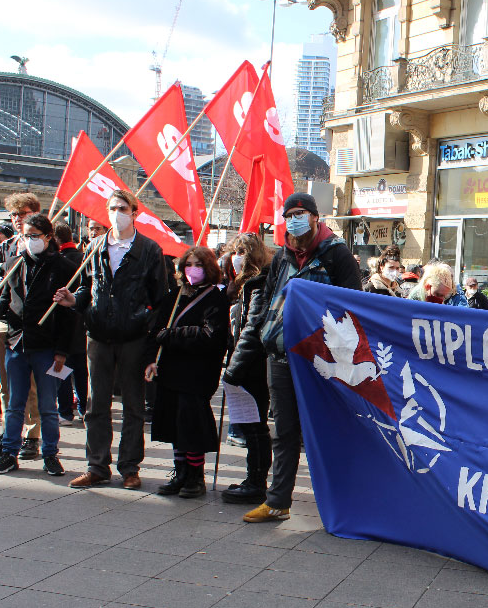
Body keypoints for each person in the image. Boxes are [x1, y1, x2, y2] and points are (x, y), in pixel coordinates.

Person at [223, 193, 361, 522]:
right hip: (281, 356)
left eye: (301, 213)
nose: (295, 219)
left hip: (320, 359)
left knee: (327, 430)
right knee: (283, 430)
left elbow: (353, 305)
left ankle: (345, 501)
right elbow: (269, 301)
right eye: (290, 214)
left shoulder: (337, 254)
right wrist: (256, 343)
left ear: (315, 217)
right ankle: (277, 501)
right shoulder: (283, 256)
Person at [53, 188, 169, 489]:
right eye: (112, 208)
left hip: (133, 337)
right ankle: (97, 466)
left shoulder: (149, 250)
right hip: (98, 335)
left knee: (133, 405)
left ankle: (130, 467)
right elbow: (86, 289)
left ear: (134, 212)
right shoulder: (94, 246)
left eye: (122, 208)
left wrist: (147, 331)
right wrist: (74, 301)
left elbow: (160, 300)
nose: (116, 213)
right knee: (95, 404)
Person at [0, 215, 76, 476]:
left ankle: (50, 454)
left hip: (46, 346)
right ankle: (9, 453)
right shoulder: (14, 263)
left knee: (47, 406)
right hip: (16, 343)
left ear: (48, 237)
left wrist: (61, 352)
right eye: (26, 235)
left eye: (35, 235)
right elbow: (6, 306)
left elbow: (69, 317)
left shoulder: (62, 267)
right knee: (14, 404)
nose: (29, 240)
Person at [143, 247, 230, 498]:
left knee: (191, 426)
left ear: (209, 268)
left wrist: (173, 336)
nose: (193, 269)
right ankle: (179, 472)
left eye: (198, 264)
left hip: (196, 372)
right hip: (170, 369)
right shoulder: (175, 295)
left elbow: (210, 336)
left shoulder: (215, 298)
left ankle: (195, 476)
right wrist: (150, 359)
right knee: (173, 425)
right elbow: (156, 330)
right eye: (189, 264)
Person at [0, 194, 43, 461]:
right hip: (3, 320)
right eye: (14, 215)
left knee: (30, 385)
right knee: (4, 382)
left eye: (23, 214)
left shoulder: (40, 246)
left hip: (27, 324)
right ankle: (10, 432)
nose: (18, 219)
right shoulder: (4, 246)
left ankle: (32, 435)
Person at [221, 233, 273, 504]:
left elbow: (253, 328)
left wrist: (235, 367)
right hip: (248, 363)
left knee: (255, 426)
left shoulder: (259, 284)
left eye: (242, 251)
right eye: (234, 251)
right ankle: (253, 478)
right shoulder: (243, 285)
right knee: (251, 425)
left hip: (253, 365)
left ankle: (256, 482)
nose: (237, 256)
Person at [53, 221, 87, 425]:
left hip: (65, 322)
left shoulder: (61, 261)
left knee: (61, 368)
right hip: (81, 323)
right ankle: (84, 408)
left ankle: (65, 410)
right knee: (81, 371)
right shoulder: (82, 258)